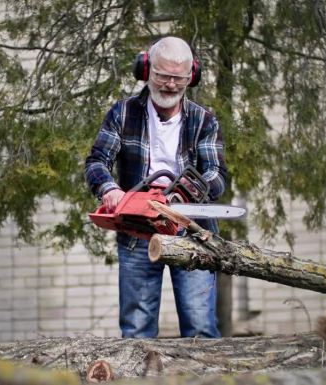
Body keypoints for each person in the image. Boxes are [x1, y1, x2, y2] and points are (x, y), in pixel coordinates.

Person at [85, 36, 227, 338]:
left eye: (178, 78)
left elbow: (216, 175)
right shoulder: (123, 113)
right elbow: (97, 161)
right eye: (162, 75)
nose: (169, 85)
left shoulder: (204, 121)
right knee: (136, 331)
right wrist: (111, 190)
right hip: (137, 230)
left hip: (192, 232)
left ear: (191, 77)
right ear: (146, 70)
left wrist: (184, 194)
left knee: (201, 328)